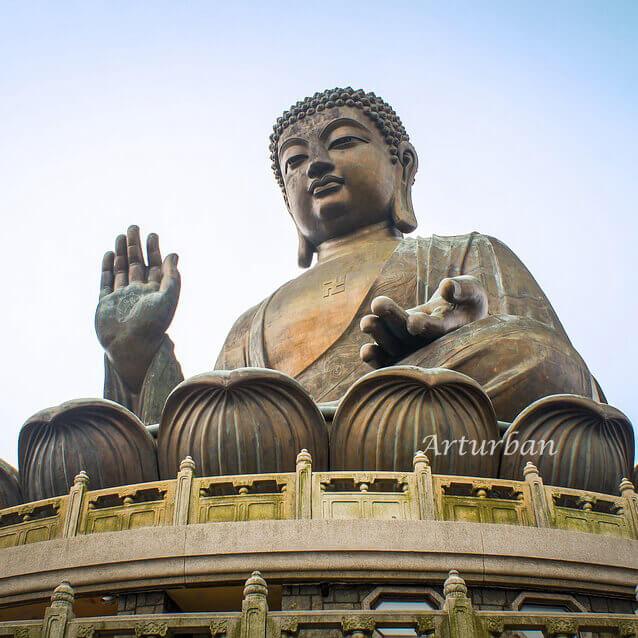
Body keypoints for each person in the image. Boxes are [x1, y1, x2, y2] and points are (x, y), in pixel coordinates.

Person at [95, 87, 603, 426]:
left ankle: (371, 415)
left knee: (533, 353)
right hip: (277, 453)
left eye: (342, 142)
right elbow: (189, 434)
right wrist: (136, 356)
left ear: (401, 167)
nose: (315, 165)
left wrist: (461, 335)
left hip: (419, 429)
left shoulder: (466, 253)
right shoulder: (252, 324)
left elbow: (569, 381)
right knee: (213, 421)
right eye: (295, 160)